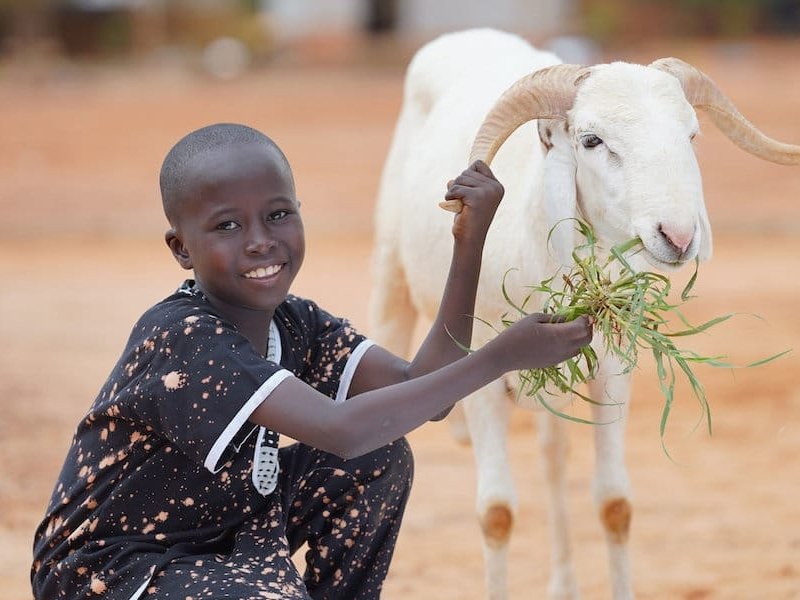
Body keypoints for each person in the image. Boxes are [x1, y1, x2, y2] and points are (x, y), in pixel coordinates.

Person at [31, 123, 592, 600]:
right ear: (181, 248)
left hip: (226, 533)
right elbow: (340, 429)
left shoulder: (294, 321)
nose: (259, 241)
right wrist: (502, 356)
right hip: (110, 568)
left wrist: (469, 241)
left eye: (277, 215)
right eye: (227, 226)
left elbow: (425, 392)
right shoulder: (184, 336)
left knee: (381, 457)